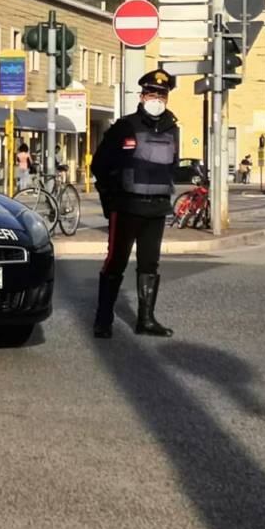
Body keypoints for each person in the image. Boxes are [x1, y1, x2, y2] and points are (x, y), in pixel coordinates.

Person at [89, 68, 180, 340]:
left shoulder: (172, 128)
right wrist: (112, 197)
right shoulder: (124, 126)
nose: (157, 98)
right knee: (115, 262)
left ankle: (146, 319)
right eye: (152, 93)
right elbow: (100, 165)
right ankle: (103, 320)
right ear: (142, 96)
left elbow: (172, 166)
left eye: (162, 94)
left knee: (150, 265)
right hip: (127, 207)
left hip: (157, 209)